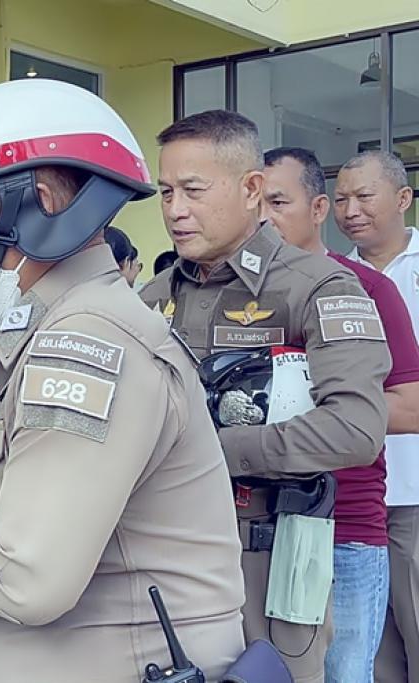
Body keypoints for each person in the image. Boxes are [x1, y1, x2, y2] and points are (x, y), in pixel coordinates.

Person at [0, 79, 246, 682]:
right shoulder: (73, 326)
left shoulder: (85, 343)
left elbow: (25, 575)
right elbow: (34, 519)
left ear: (35, 206)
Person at [139, 111, 391, 683]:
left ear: (252, 189)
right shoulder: (151, 299)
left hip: (271, 564)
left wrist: (204, 450)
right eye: (166, 192)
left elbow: (354, 430)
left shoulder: (316, 287)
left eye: (193, 191)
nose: (175, 209)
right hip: (162, 558)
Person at [263, 146, 419, 682]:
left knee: (351, 666)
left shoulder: (364, 290)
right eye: (255, 201)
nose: (264, 215)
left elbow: (410, 405)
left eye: (278, 201)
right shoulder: (234, 295)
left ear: (317, 208)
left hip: (351, 516)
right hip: (257, 520)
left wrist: (316, 418)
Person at [334, 150, 419, 683]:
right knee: (366, 643)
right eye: (341, 199)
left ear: (403, 199)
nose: (350, 210)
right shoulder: (331, 278)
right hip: (356, 488)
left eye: (364, 196)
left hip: (414, 489)